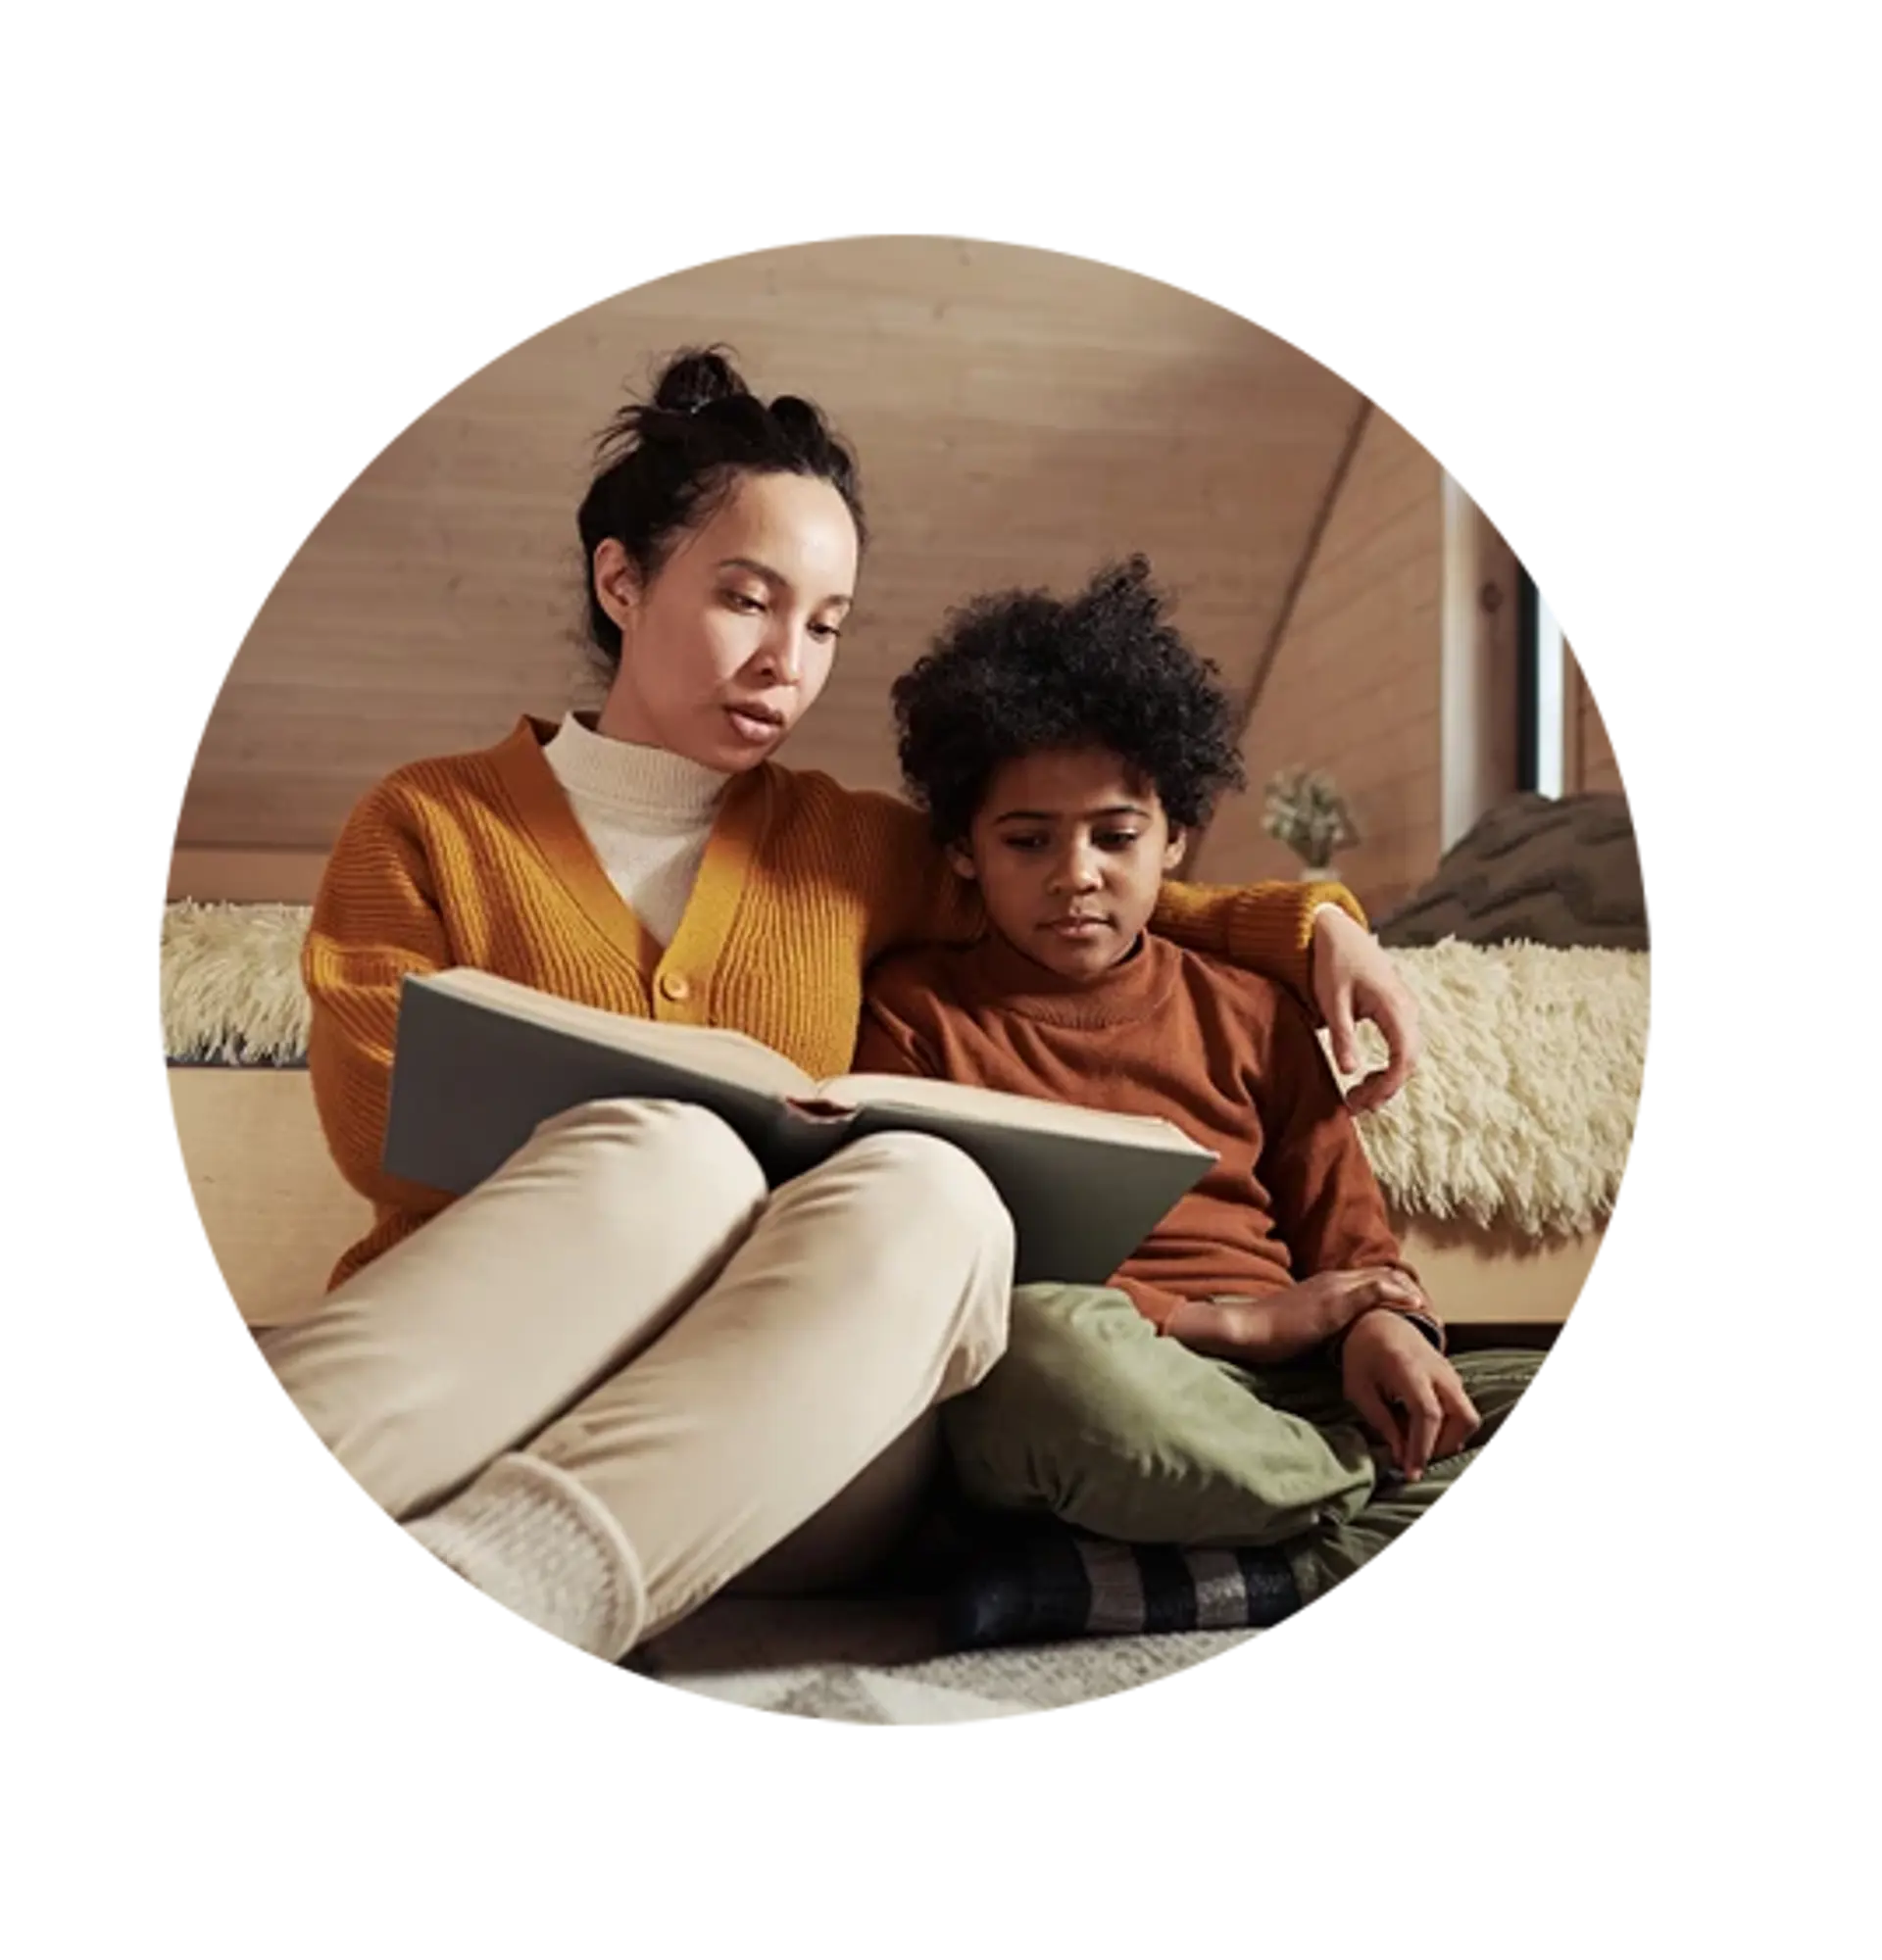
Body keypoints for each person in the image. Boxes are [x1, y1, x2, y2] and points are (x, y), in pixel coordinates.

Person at [248, 348, 1426, 1672]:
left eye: (825, 625)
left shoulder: (848, 846)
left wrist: (1318, 920)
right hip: (475, 1385)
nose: (786, 663)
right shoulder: (425, 824)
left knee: (938, 1193)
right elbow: (380, 1126)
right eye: (747, 601)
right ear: (621, 581)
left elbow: (1089, 892)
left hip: (779, 1443)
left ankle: (518, 1581)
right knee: (676, 1151)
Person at [852, 555, 1550, 1643]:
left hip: (1283, 1401)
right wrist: (1224, 1320)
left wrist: (1380, 1325)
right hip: (1089, 1385)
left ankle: (1206, 1578)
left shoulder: (1251, 1007)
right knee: (1035, 1348)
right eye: (1026, 840)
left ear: (1174, 838)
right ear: (961, 853)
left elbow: (1350, 1238)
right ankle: (1346, 1517)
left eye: (1114, 836)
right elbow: (945, 1274)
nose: (1074, 872)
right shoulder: (917, 1015)